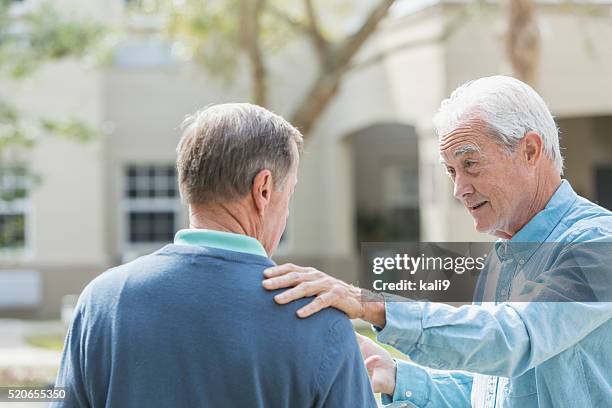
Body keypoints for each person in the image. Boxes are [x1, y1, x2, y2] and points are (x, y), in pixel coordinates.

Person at [263, 76, 612, 407]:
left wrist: (367, 303)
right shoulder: (503, 258)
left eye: (470, 164)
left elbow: (513, 338)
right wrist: (394, 375)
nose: (459, 189)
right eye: (451, 171)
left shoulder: (598, 242)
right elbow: (488, 393)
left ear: (531, 151)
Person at [52, 103, 377, 407]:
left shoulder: (102, 301)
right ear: (263, 189)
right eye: (288, 193)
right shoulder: (318, 318)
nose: (287, 212)